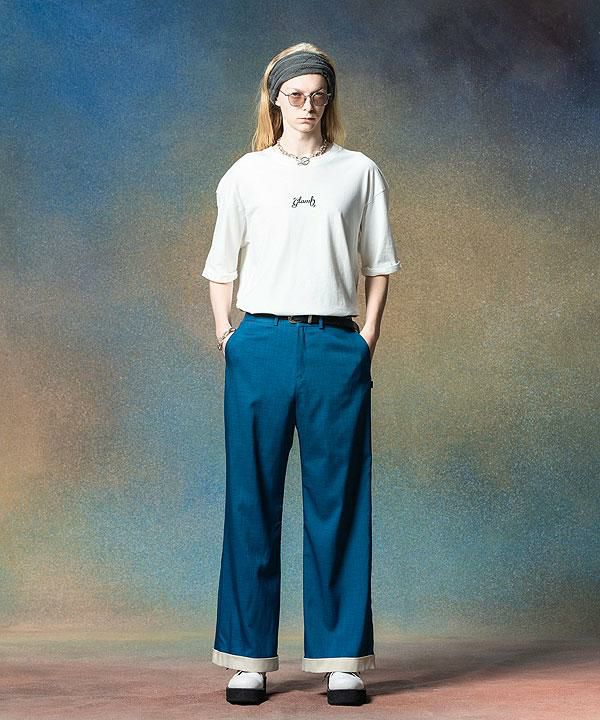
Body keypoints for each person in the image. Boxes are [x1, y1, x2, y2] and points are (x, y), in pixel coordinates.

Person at [201, 42, 402, 706]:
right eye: (296, 94)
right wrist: (227, 335)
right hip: (259, 341)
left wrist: (367, 337)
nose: (308, 106)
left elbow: (378, 262)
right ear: (274, 98)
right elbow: (221, 264)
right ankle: (247, 658)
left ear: (329, 100)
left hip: (335, 344)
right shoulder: (246, 174)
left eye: (319, 95)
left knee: (337, 499)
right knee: (250, 498)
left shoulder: (359, 171)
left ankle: (341, 657)